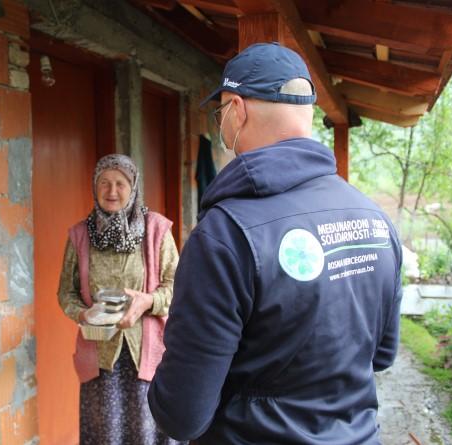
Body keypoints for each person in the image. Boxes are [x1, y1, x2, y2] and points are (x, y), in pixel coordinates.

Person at [148, 42, 403, 444]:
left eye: (221, 113)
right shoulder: (375, 219)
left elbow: (182, 415)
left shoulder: (225, 235)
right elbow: (382, 355)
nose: (222, 123)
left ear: (237, 108)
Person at [58, 154, 184, 445]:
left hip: (149, 357)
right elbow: (66, 292)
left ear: (134, 187)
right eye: (104, 183)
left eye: (120, 184)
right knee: (107, 433)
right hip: (100, 359)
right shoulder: (80, 235)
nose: (111, 191)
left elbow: (177, 286)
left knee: (149, 430)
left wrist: (148, 301)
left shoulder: (155, 230)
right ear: (94, 187)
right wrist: (83, 315)